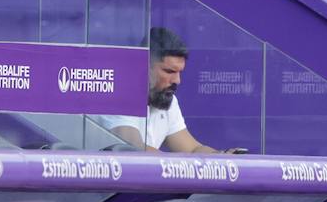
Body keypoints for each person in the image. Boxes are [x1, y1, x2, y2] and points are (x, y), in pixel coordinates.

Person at [100, 27, 233, 153]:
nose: (177, 80)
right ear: (144, 66)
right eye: (169, 71)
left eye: (179, 72)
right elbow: (134, 149)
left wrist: (221, 156)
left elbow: (192, 149)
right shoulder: (119, 94)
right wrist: (177, 164)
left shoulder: (167, 98)